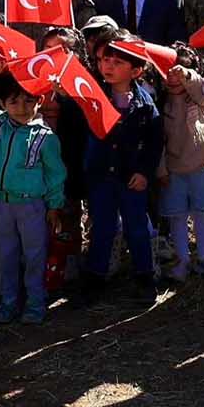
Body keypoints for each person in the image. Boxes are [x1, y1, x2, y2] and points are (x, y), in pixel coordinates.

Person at [0, 61, 68, 325]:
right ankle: (8, 302)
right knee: (7, 254)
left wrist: (54, 206)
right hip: (1, 203)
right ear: (2, 103)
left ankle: (36, 303)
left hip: (32, 206)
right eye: (14, 101)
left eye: (28, 100)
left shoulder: (45, 137)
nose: (22, 107)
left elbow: (55, 174)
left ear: (40, 100)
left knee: (35, 254)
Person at [77, 34, 165, 302]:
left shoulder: (145, 105)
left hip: (131, 178)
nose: (108, 66)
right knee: (103, 227)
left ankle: (144, 276)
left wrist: (144, 172)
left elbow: (154, 144)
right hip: (101, 176)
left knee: (137, 228)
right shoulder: (93, 95)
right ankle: (96, 276)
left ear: (136, 70)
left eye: (117, 62)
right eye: (105, 60)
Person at [157, 45, 204, 280]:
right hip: (173, 170)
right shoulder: (160, 104)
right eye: (167, 73)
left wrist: (186, 75)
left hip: (201, 166)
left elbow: (202, 89)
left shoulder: (199, 97)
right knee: (178, 215)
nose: (173, 79)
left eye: (179, 73)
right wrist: (161, 169)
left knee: (202, 213)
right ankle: (183, 259)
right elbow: (157, 141)